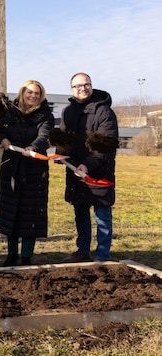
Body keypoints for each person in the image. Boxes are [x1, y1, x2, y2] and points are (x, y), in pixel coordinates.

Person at [58, 73, 118, 263]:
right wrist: (60, 152)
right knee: (81, 214)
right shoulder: (68, 111)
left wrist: (87, 164)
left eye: (86, 85)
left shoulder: (104, 112)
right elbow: (64, 137)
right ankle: (82, 251)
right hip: (76, 172)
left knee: (102, 216)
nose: (82, 88)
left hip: (99, 173)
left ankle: (102, 255)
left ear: (91, 86)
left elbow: (105, 146)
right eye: (78, 86)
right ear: (71, 89)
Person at [0, 80, 54, 266]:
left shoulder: (46, 115)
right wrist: (2, 139)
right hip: (11, 165)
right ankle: (11, 254)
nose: (33, 96)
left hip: (35, 169)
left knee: (31, 213)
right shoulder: (9, 112)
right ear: (22, 93)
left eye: (37, 93)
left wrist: (34, 147)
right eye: (30, 92)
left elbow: (44, 135)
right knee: (11, 210)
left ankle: (27, 255)